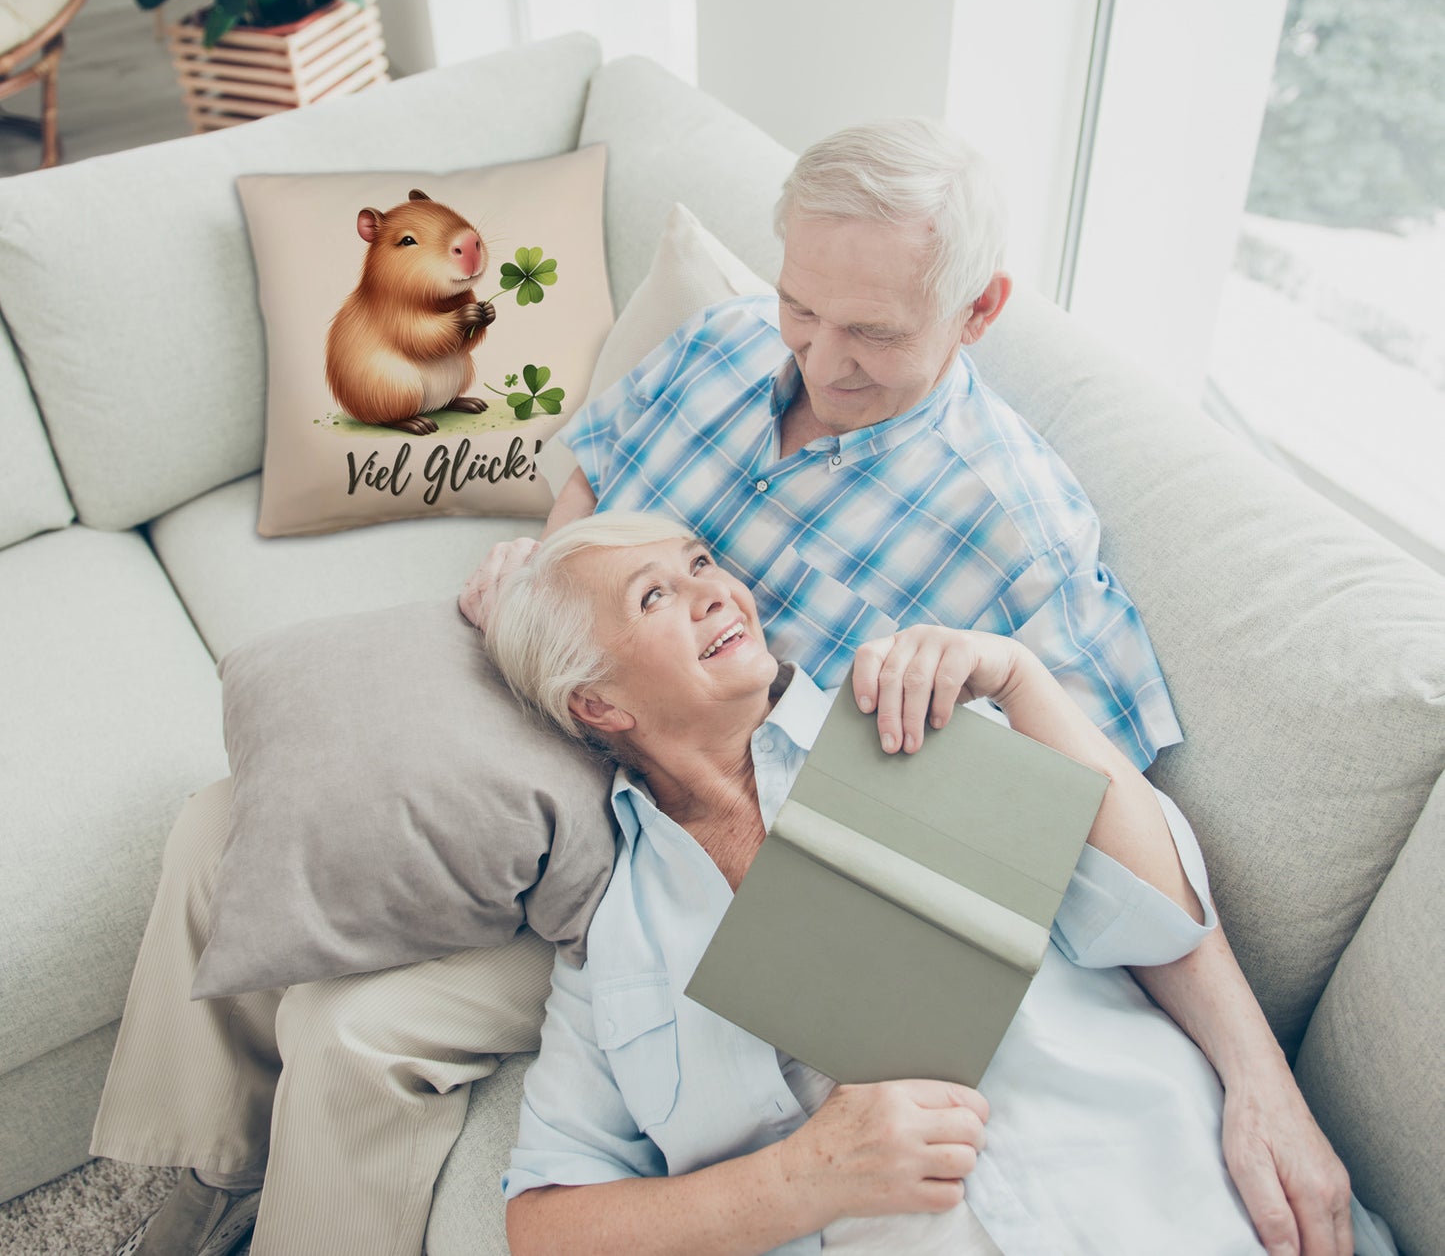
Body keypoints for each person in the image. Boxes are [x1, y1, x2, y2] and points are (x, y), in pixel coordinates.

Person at [94, 120, 1348, 1256]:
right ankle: (192, 1175)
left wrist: (1260, 1078)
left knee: (355, 1029)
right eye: (804, 306)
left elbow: (1103, 831)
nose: (818, 356)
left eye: (871, 331)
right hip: (581, 699)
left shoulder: (1016, 535)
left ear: (976, 312)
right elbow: (590, 475)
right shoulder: (726, 343)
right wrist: (546, 574)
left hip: (693, 824)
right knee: (229, 818)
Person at [486, 511, 1381, 1256]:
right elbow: (545, 1224)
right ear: (597, 704)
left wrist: (1021, 679)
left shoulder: (908, 718)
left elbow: (1158, 916)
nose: (715, 590)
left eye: (700, 563)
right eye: (655, 595)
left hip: (1174, 1203)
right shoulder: (615, 943)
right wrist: (802, 1178)